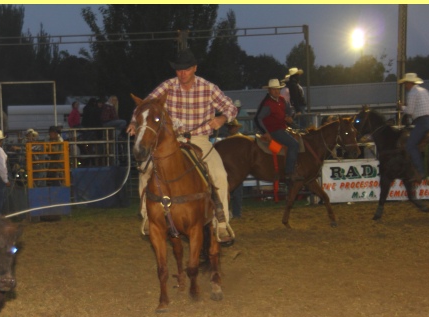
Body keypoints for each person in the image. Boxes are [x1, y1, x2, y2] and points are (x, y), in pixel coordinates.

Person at [127, 48, 237, 243]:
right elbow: (144, 105)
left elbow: (230, 106)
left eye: (186, 69)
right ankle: (147, 217)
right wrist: (135, 123)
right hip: (172, 141)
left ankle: (221, 223)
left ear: (194, 68)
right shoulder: (167, 87)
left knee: (219, 174)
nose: (182, 73)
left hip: (199, 140)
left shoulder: (208, 87)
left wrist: (221, 118)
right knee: (145, 170)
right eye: (179, 70)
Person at [255, 79, 301, 184]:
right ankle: (289, 172)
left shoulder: (281, 100)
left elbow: (290, 111)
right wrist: (265, 132)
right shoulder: (267, 104)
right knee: (294, 144)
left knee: (299, 138)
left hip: (282, 128)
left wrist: (290, 116)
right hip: (274, 131)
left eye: (278, 89)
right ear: (269, 90)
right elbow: (258, 118)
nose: (276, 91)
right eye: (274, 89)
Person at [397, 72, 429, 182]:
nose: (405, 86)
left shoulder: (412, 93)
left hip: (421, 122)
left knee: (410, 145)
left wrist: (402, 107)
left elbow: (410, 111)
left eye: (405, 84)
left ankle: (421, 171)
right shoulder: (424, 91)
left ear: (409, 83)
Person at [226, 119, 244, 219]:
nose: (230, 129)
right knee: (234, 192)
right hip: (233, 169)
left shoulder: (237, 139)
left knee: (236, 193)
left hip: (235, 169)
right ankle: (235, 213)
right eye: (229, 127)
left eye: (231, 127)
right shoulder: (239, 139)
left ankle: (236, 213)